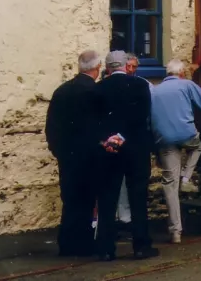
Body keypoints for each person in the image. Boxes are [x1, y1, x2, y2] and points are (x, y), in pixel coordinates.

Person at [45, 50, 113, 257]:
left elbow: (52, 126)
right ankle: (83, 243)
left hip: (67, 155)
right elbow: (101, 126)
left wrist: (58, 150)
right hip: (90, 155)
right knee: (87, 199)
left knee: (70, 199)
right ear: (98, 67)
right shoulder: (95, 92)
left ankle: (66, 243)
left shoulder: (62, 91)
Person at [151, 59, 201, 244]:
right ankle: (186, 177)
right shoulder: (187, 85)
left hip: (164, 139)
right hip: (186, 135)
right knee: (197, 146)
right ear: (182, 73)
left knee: (170, 184)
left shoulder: (154, 90)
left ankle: (175, 232)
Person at [95, 51, 158, 261]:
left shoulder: (98, 89)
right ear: (125, 66)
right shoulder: (140, 85)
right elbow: (141, 116)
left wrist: (108, 140)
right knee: (138, 197)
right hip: (136, 148)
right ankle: (141, 245)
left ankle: (105, 248)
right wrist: (122, 136)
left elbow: (95, 122)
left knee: (107, 198)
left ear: (108, 67)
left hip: (108, 149)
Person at [115, 53, 151, 232]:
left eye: (134, 67)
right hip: (121, 141)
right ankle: (125, 217)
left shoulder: (143, 85)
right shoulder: (137, 85)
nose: (130, 70)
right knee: (122, 183)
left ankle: (132, 220)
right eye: (128, 66)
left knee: (134, 184)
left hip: (133, 141)